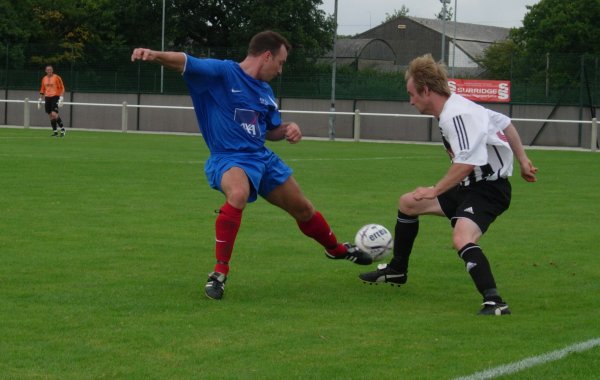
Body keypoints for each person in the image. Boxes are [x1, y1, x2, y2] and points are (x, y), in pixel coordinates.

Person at [131, 30, 372, 300]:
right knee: (238, 193)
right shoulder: (223, 73)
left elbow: (269, 130)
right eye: (280, 63)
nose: (280, 70)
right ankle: (219, 272)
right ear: (266, 56)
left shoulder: (266, 93)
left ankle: (336, 249)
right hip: (228, 157)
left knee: (304, 209)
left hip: (261, 157)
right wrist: (154, 55)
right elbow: (186, 61)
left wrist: (289, 129)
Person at [359, 54, 538, 315]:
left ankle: (495, 301)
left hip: (488, 190)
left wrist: (435, 190)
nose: (410, 101)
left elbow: (468, 161)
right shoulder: (455, 108)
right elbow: (504, 123)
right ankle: (397, 271)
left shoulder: (457, 114)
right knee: (408, 203)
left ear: (427, 90)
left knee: (461, 238)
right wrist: (523, 160)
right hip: (468, 186)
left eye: (412, 94)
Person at [39, 65, 66, 137]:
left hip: (55, 96)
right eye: (47, 70)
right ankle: (55, 132)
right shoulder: (44, 78)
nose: (49, 71)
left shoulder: (57, 77)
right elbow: (42, 89)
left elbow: (62, 87)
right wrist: (40, 99)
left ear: (52, 70)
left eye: (50, 70)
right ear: (45, 71)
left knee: (54, 114)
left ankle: (63, 129)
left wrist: (61, 97)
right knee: (50, 115)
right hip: (47, 97)